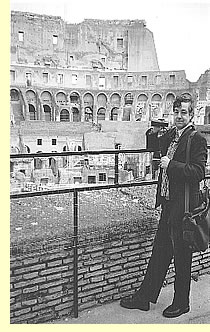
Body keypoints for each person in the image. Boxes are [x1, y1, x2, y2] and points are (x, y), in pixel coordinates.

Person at [120, 94, 208, 318]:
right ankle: (144, 298)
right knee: (160, 252)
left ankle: (182, 303)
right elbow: (154, 148)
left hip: (185, 208)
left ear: (191, 115)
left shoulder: (196, 138)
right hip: (168, 205)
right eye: (176, 111)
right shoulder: (172, 134)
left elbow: (198, 172)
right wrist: (152, 133)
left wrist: (172, 166)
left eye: (184, 112)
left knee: (181, 256)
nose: (179, 116)